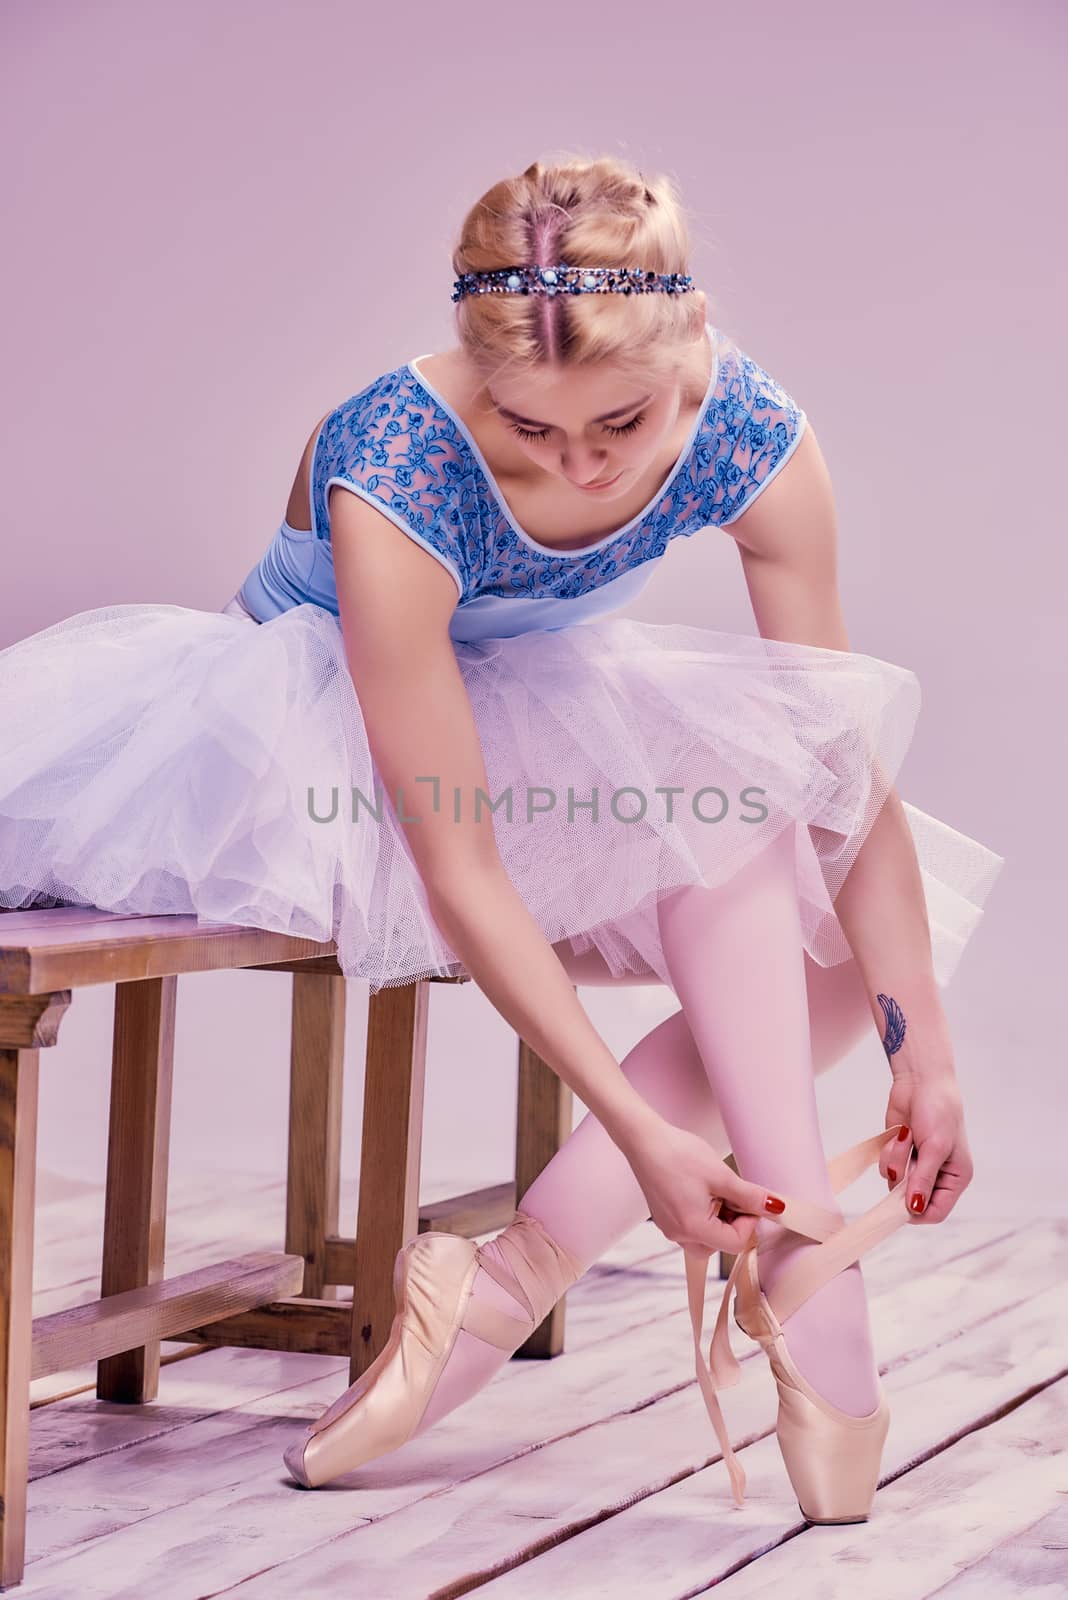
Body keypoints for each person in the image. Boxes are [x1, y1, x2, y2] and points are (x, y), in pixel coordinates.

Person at [0, 153, 1004, 1523]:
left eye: (622, 423)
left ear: (694, 340)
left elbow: (837, 758)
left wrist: (925, 1052)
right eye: (532, 430)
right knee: (737, 840)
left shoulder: (753, 430)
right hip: (320, 741)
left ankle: (525, 1264)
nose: (581, 463)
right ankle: (817, 1291)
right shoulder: (394, 456)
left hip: (535, 720)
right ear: (482, 379)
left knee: (802, 869)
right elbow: (456, 858)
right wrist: (639, 1130)